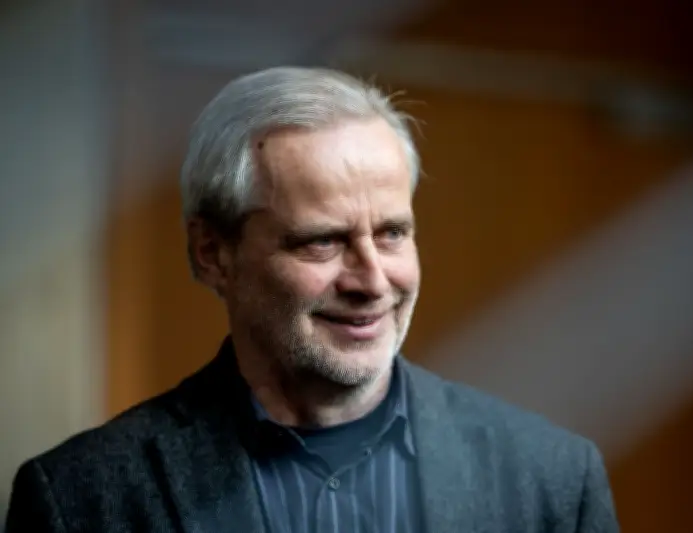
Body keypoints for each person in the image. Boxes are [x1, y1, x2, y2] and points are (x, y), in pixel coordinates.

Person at [5, 67, 619, 533]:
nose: (372, 281)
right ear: (212, 253)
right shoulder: (79, 498)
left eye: (392, 233)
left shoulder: (553, 481)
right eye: (322, 241)